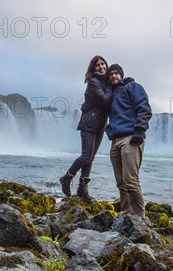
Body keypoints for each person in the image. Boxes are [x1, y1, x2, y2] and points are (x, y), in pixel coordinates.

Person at [59, 55, 112, 202]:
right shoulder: (94, 82)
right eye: (98, 65)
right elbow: (105, 99)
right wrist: (111, 87)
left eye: (103, 64)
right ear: (93, 68)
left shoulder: (105, 82)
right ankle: (66, 178)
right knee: (86, 156)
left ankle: (82, 188)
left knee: (91, 158)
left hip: (100, 124)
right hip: (89, 123)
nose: (101, 67)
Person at [105, 63, 152, 216]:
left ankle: (139, 217)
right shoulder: (110, 96)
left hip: (130, 137)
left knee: (131, 181)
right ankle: (125, 213)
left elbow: (143, 107)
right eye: (111, 74)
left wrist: (139, 130)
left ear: (122, 75)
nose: (113, 76)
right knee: (121, 182)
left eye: (117, 73)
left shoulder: (132, 86)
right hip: (115, 140)